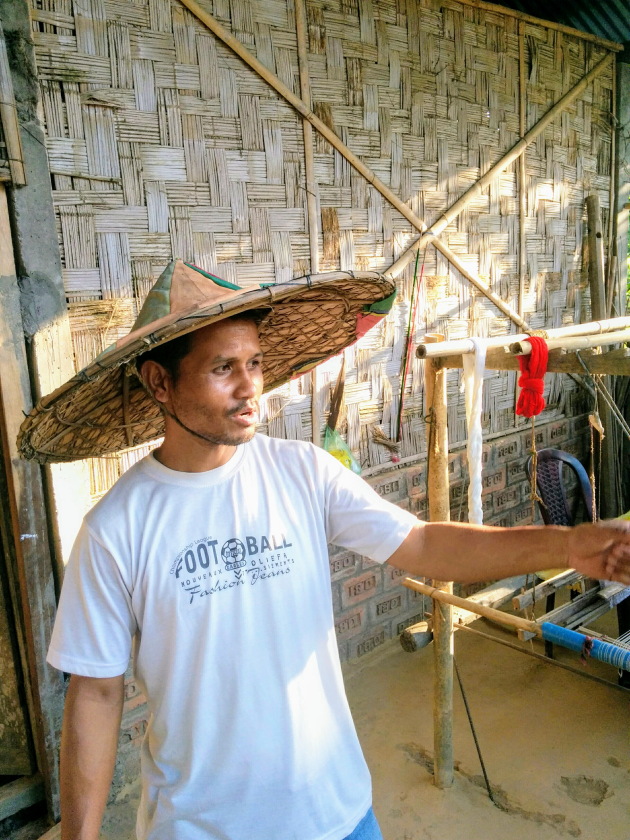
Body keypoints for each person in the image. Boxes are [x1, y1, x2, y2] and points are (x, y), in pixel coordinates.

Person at [21, 262, 630, 840]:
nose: (249, 387)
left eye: (255, 363)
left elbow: (421, 543)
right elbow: (96, 693)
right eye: (222, 368)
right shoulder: (116, 529)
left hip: (336, 813)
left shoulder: (302, 472)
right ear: (159, 382)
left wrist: (568, 543)